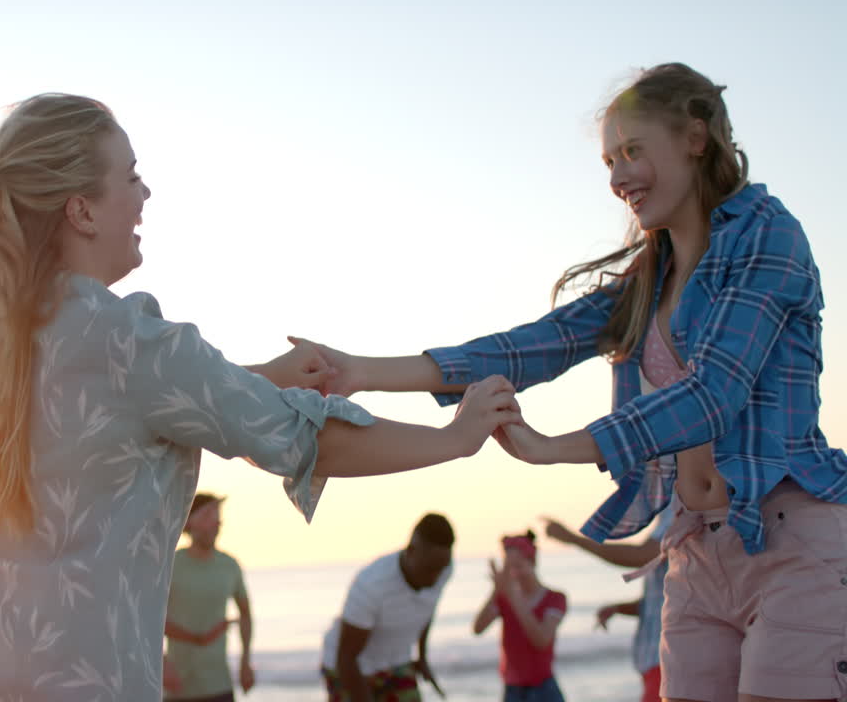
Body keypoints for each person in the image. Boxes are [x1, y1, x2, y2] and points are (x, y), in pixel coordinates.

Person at [0, 93, 523, 701]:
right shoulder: (129, 339)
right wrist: (455, 437)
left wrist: (261, 378)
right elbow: (310, 439)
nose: (145, 194)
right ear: (82, 211)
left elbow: (111, 414)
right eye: (131, 176)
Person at [298, 62, 847, 702]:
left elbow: (713, 395)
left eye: (633, 151)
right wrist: (360, 371)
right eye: (610, 161)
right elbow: (533, 346)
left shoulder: (768, 235)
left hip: (787, 538)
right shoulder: (650, 279)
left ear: (695, 138)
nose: (616, 179)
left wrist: (554, 447)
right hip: (695, 548)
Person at [319, 513, 455, 702]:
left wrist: (422, 656)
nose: (435, 578)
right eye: (430, 569)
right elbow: (346, 658)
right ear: (411, 551)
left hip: (394, 663)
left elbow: (426, 609)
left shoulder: (443, 569)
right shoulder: (371, 585)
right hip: (347, 667)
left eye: (441, 568)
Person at [543, 505, 672, 702]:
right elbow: (665, 602)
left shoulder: (677, 509)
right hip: (658, 664)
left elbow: (640, 556)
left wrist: (573, 539)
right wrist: (619, 608)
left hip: (666, 662)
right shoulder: (668, 515)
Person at [164, 493, 254, 702]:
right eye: (207, 515)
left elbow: (246, 614)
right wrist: (161, 663)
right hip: (178, 689)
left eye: (217, 516)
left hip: (220, 686)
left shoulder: (230, 565)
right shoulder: (170, 565)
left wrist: (245, 662)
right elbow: (147, 618)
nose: (216, 521)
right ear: (188, 520)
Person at [473, 531, 567, 702]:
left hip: (543, 687)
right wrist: (497, 589)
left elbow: (541, 640)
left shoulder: (555, 599)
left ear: (532, 562)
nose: (514, 573)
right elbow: (478, 628)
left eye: (518, 565)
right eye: (509, 567)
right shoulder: (504, 598)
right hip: (512, 690)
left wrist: (513, 596)